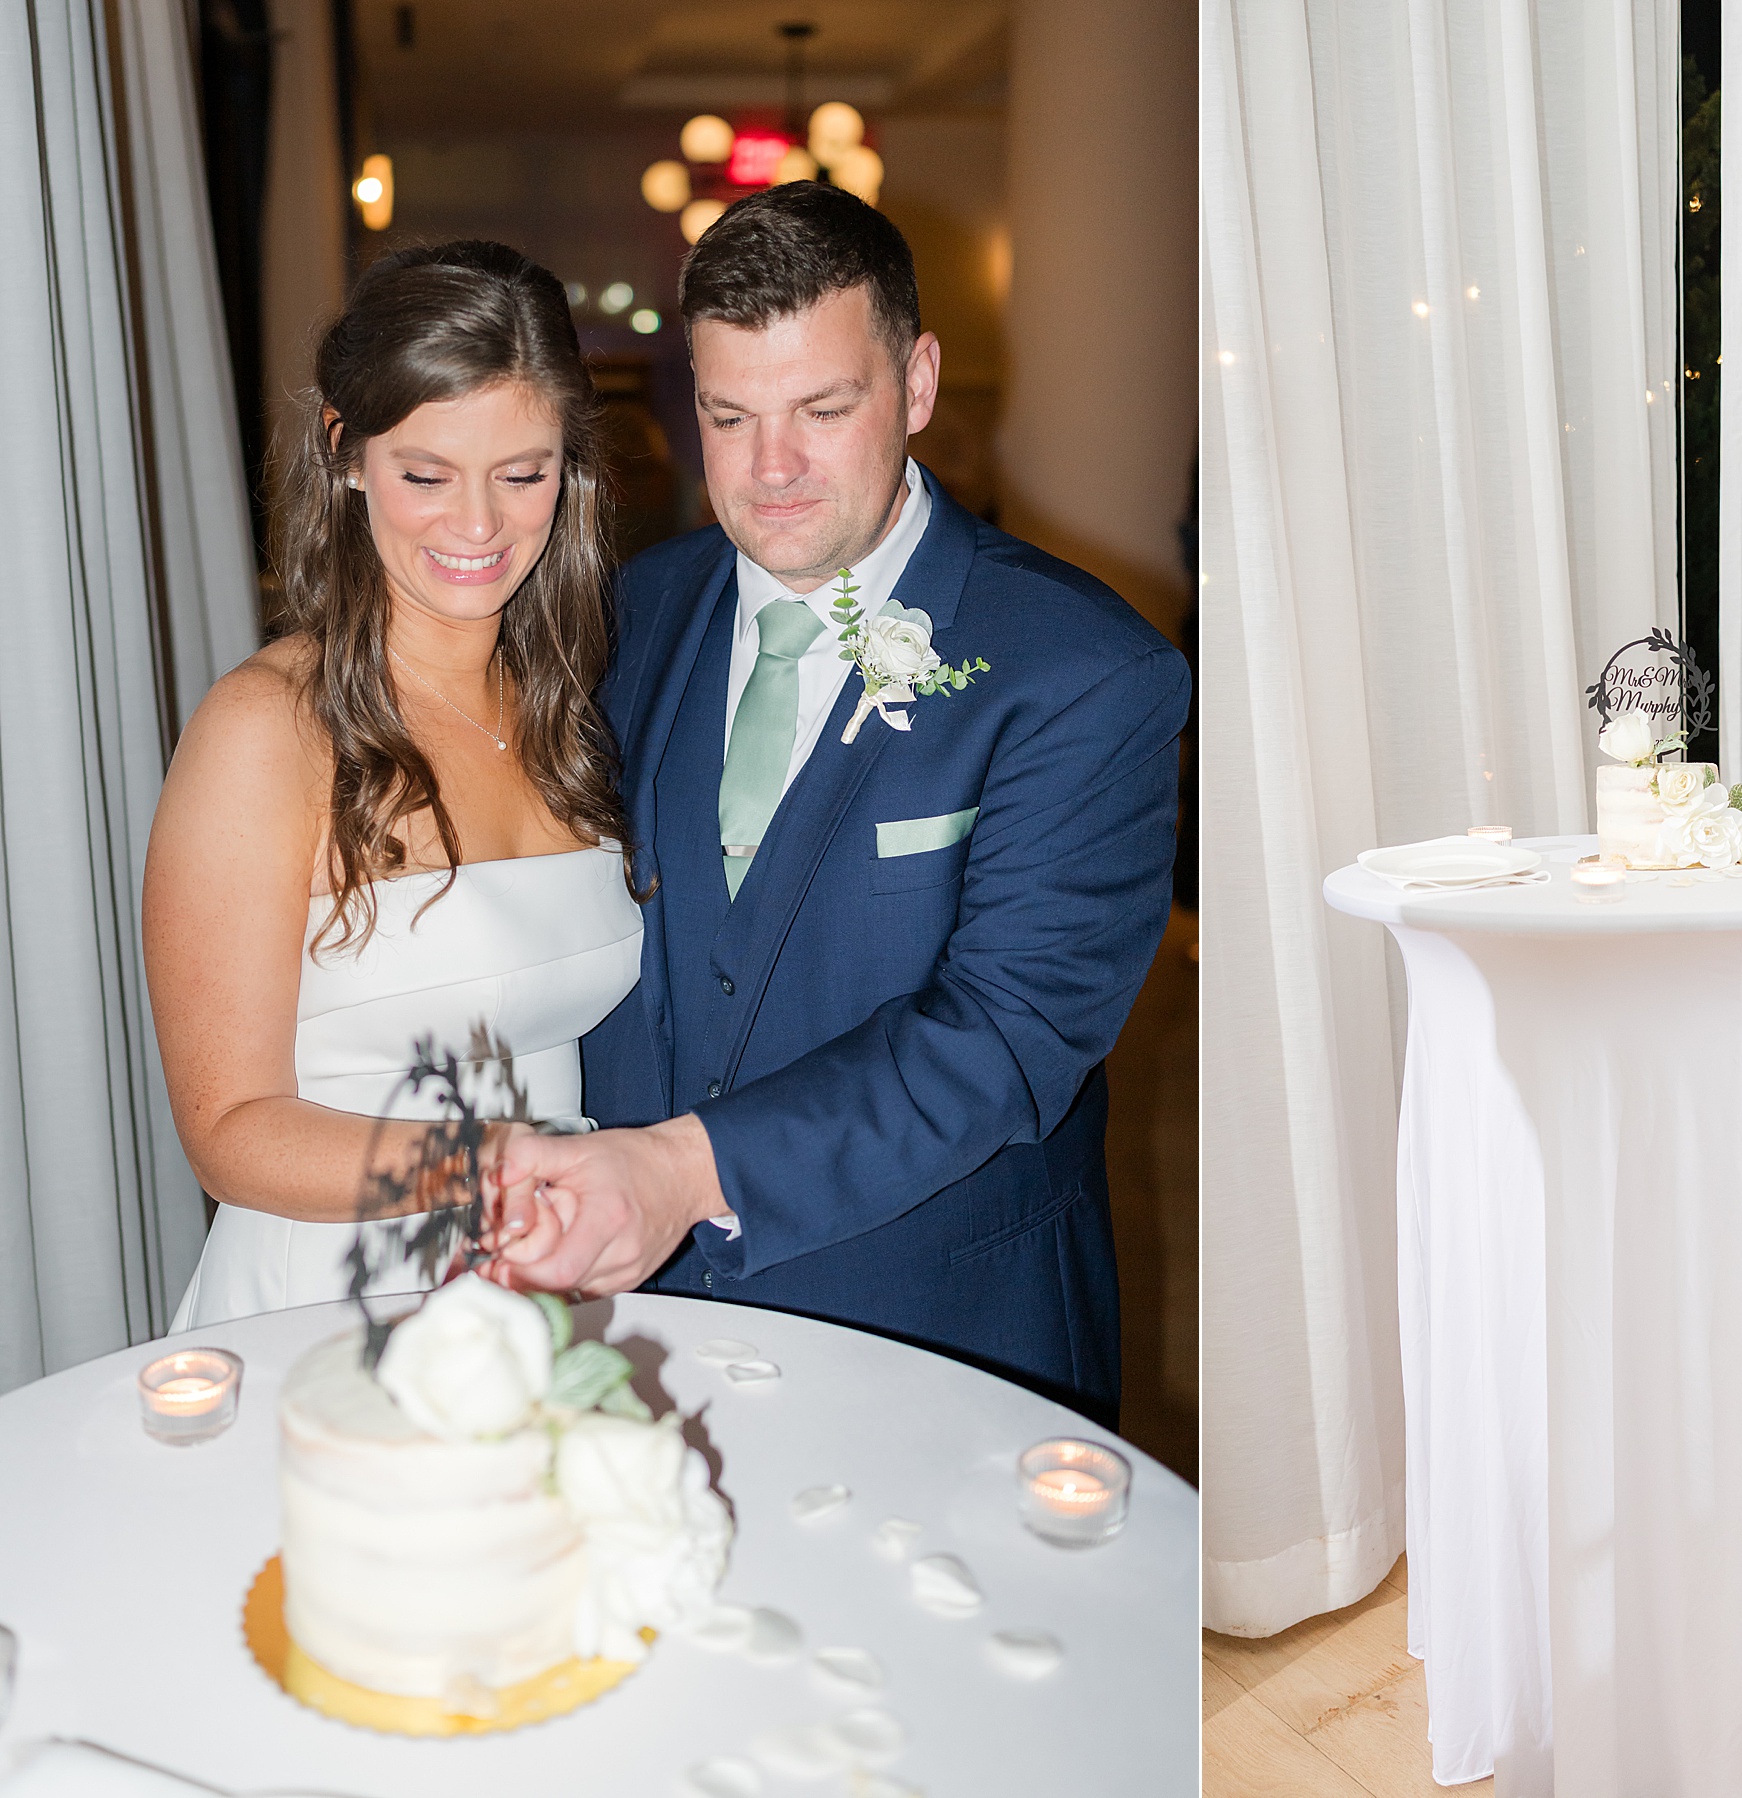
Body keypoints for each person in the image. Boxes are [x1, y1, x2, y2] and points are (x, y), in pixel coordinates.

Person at [488, 183, 1187, 1426]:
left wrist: (681, 1170)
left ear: (915, 386)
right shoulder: (626, 616)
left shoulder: (1087, 671)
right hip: (634, 1329)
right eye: (729, 414)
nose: (772, 469)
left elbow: (1008, 1034)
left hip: (945, 1347)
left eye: (823, 408)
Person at [149, 242, 643, 1329]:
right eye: (427, 474)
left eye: (524, 474)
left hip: (546, 1294)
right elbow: (227, 1132)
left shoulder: (563, 707)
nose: (478, 527)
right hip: (328, 1305)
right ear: (346, 449)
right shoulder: (266, 728)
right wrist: (494, 1165)